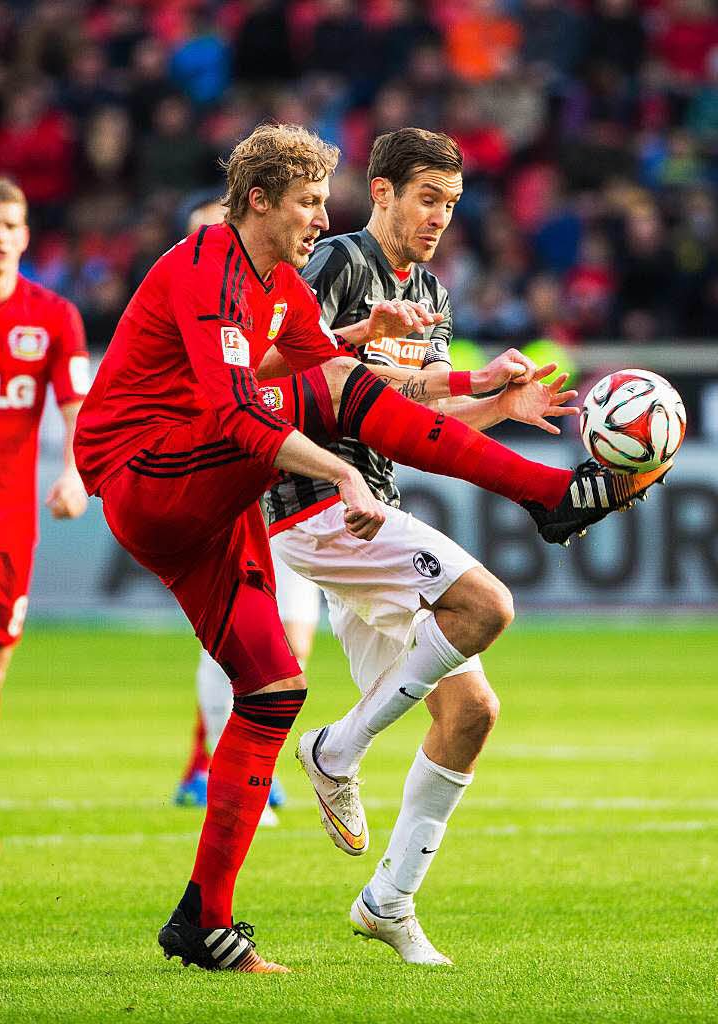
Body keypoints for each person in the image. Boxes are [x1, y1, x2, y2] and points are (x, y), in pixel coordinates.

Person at [74, 123, 665, 974]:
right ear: (258, 202)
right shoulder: (207, 264)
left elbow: (352, 377)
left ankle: (204, 923)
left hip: (215, 504)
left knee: (274, 690)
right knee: (358, 436)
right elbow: (246, 412)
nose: (321, 219)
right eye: (309, 203)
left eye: (324, 202)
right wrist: (342, 477)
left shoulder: (282, 284)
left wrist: (465, 380)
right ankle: (551, 497)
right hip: (147, 473)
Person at [266, 128, 668, 964]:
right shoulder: (335, 265)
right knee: (485, 604)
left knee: (471, 712)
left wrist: (497, 406)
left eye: (450, 204)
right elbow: (277, 368)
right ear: (380, 192)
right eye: (425, 199)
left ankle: (388, 901)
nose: (439, 218)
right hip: (310, 496)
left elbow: (423, 417)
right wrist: (446, 381)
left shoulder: (437, 298)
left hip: (373, 510)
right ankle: (333, 749)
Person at [0, 177, 89, 869]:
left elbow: (76, 408)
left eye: (11, 225)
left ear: (26, 236)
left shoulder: (54, 316)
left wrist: (74, 471)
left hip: (9, 524)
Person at [173, 196, 321, 819]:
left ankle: (224, 762)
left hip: (277, 480)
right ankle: (218, 770)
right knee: (239, 636)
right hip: (223, 480)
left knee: (294, 641)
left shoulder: (273, 297)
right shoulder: (192, 306)